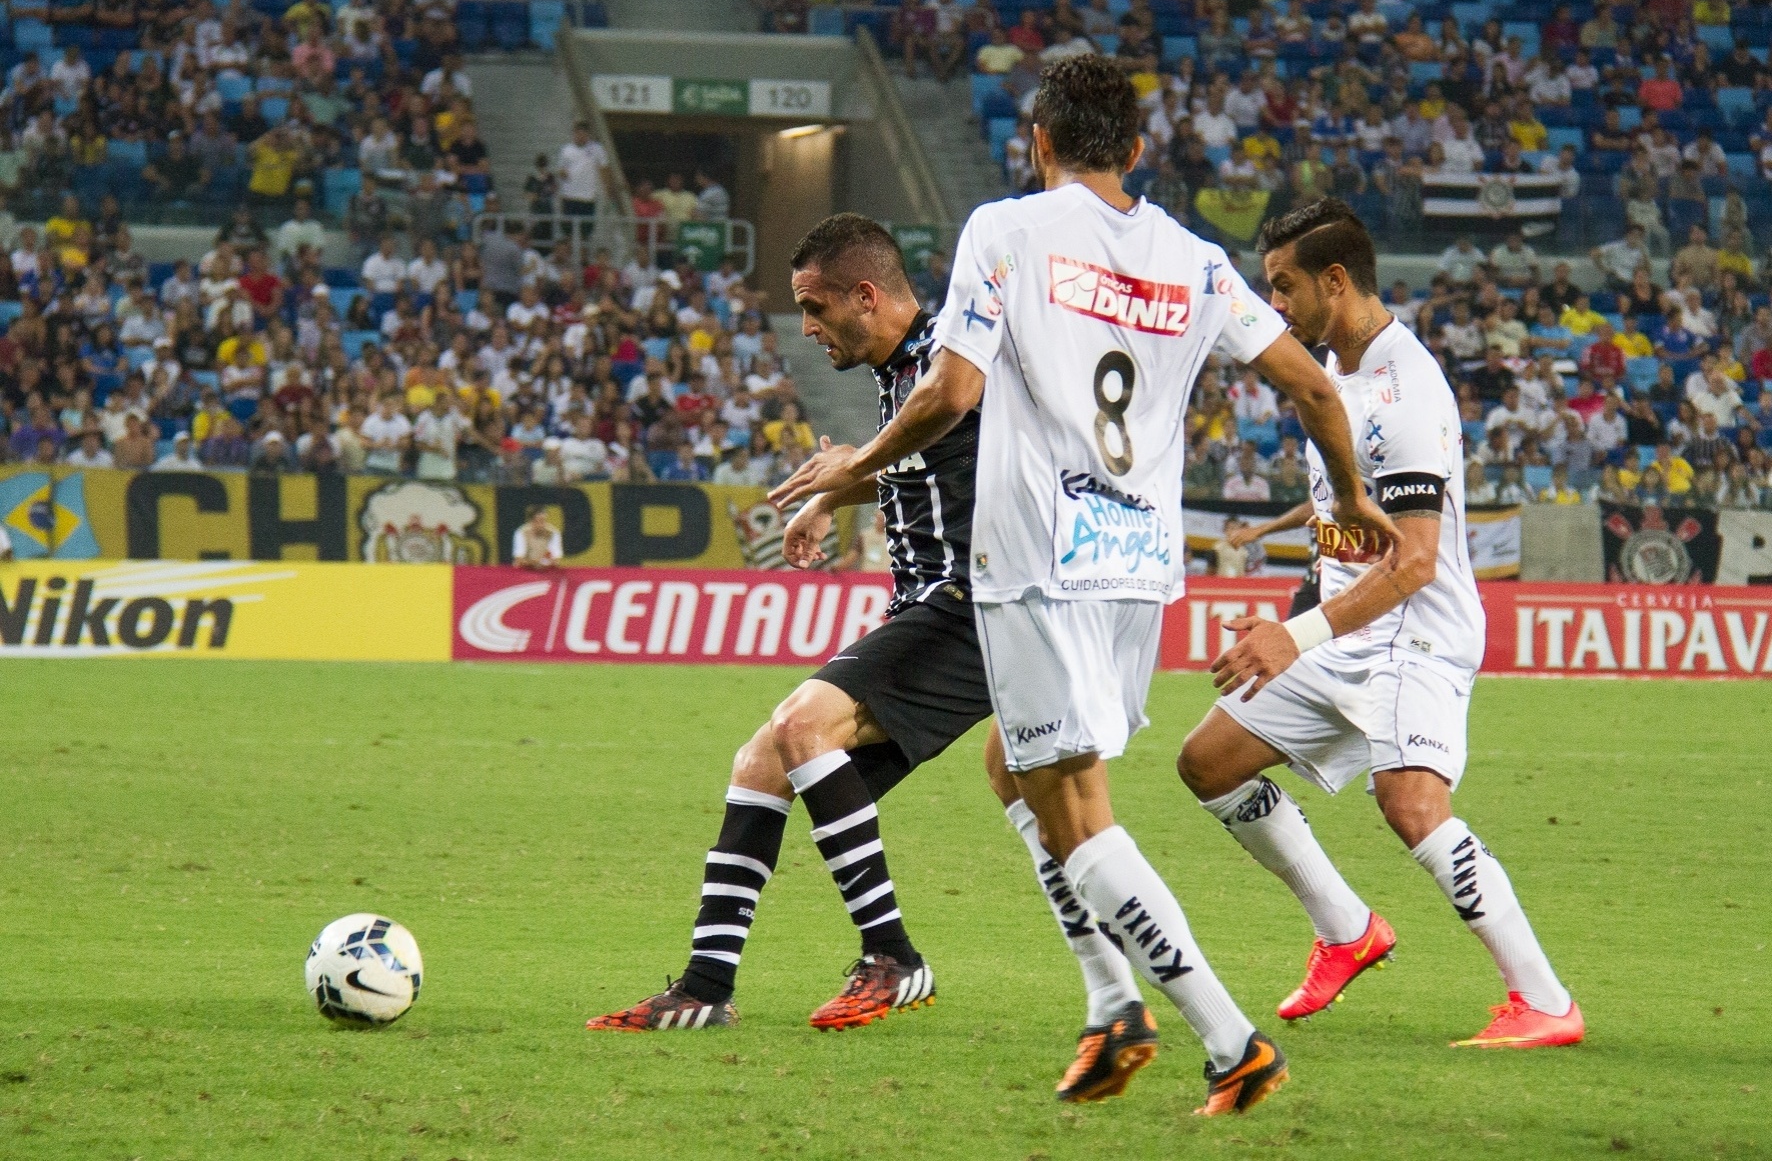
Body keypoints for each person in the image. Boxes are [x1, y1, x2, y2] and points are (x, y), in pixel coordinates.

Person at [772, 62, 1387, 1114]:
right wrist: (1347, 497)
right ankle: (1109, 1002)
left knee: (1076, 808)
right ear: (1135, 151)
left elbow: (949, 389)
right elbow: (1309, 383)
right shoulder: (1192, 261)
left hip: (1033, 559)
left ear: (1040, 140)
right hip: (1135, 566)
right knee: (1015, 771)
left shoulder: (1005, 230)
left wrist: (854, 464)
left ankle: (1223, 1036)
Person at [591, 216, 1135, 1088]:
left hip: (971, 604)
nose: (807, 327)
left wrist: (844, 476)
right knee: (763, 760)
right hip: (929, 605)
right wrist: (838, 495)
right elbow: (932, 460)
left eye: (813, 307)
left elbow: (953, 415)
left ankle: (893, 955)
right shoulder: (901, 374)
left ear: (866, 296)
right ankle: (705, 985)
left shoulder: (953, 360)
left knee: (803, 724)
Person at [1174, 198, 1584, 1050]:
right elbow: (1346, 504)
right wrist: (1306, 608)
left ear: (1336, 280)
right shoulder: (1333, 375)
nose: (1275, 305)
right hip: (1348, 628)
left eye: (1284, 287)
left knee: (1411, 802)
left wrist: (1297, 633)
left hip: (1416, 629)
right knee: (1209, 761)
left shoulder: (1404, 389)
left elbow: (1415, 560)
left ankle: (1544, 1000)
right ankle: (1345, 927)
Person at [512, 504, 562, 569]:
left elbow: (556, 559)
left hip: (545, 571)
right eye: (539, 521)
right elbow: (519, 559)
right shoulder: (521, 532)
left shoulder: (553, 532)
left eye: (544, 521)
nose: (542, 525)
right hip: (525, 571)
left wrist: (547, 563)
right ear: (530, 521)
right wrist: (534, 563)